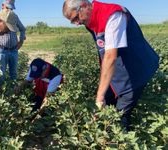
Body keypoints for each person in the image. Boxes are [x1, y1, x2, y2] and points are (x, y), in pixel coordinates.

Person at [62, 0, 159, 130]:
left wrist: (99, 96)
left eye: (75, 18)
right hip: (117, 72)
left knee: (119, 120)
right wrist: (102, 95)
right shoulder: (89, 19)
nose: (76, 23)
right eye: (72, 21)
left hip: (135, 72)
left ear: (84, 6)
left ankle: (122, 141)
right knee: (105, 109)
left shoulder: (113, 15)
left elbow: (110, 56)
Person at [0, 0, 26, 86]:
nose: (10, 10)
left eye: (11, 8)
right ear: (2, 5)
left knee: (14, 75)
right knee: (0, 76)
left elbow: (22, 29)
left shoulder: (14, 16)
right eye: (7, 7)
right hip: (1, 50)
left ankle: (13, 95)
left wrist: (21, 41)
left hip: (13, 50)